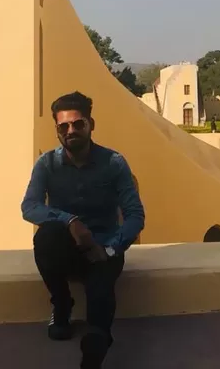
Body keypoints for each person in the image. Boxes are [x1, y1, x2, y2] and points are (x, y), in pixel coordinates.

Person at [21, 91, 146, 369]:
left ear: (91, 124)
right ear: (57, 130)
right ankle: (62, 306)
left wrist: (112, 246)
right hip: (66, 249)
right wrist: (69, 221)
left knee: (101, 293)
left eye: (78, 124)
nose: (71, 131)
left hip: (103, 249)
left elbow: (135, 215)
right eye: (64, 126)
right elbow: (29, 207)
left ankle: (96, 346)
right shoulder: (47, 164)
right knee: (46, 237)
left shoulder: (113, 163)